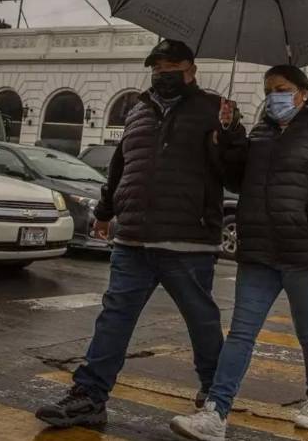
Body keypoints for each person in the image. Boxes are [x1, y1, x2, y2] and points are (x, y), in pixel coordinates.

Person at [35, 39, 247, 427]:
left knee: (201, 321)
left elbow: (235, 176)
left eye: (170, 68)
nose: (162, 75)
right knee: (114, 318)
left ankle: (215, 396)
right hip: (133, 238)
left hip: (187, 239)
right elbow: (121, 165)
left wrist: (231, 134)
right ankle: (89, 396)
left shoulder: (214, 110)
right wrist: (105, 212)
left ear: (191, 70)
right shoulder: (138, 109)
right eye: (156, 68)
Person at [170, 65, 308, 440]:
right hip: (258, 253)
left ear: (303, 92)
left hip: (305, 253)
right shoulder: (260, 131)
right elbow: (236, 179)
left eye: (282, 89)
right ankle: (216, 412)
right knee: (241, 333)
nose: (274, 97)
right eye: (269, 90)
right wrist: (230, 132)